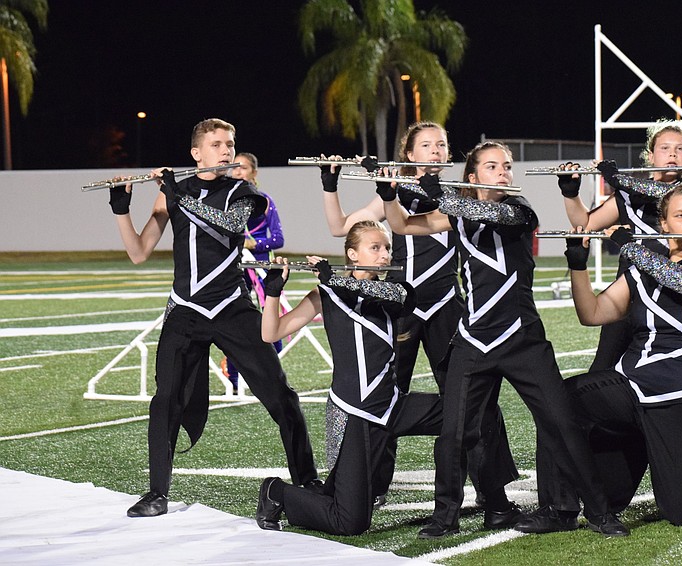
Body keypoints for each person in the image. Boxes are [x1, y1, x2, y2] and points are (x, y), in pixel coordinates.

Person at [382, 140, 629, 538]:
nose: (504, 173)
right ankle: (444, 516)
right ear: (474, 175)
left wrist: (436, 193)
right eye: (493, 166)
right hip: (473, 341)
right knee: (454, 433)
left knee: (562, 423)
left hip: (522, 340)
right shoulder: (457, 215)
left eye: (507, 166)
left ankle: (600, 512)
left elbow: (481, 211)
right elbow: (403, 225)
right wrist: (389, 195)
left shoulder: (519, 209)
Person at [108, 118, 319, 517]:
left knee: (279, 394)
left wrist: (176, 195)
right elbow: (138, 252)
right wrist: (121, 209)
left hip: (230, 307)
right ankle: (157, 493)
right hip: (185, 308)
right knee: (165, 400)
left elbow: (230, 226)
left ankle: (307, 479)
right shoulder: (174, 192)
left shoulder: (244, 191)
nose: (226, 150)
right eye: (218, 144)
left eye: (230, 143)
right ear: (196, 153)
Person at [319, 121, 517, 508]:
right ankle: (370, 484)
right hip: (400, 310)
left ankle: (491, 489)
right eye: (426, 145)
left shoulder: (461, 193)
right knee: (383, 399)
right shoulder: (393, 193)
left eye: (442, 144)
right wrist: (331, 184)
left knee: (474, 398)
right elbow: (338, 228)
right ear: (408, 154)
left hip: (447, 307)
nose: (436, 151)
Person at [558, 119, 682, 513]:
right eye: (665, 149)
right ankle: (584, 488)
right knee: (597, 383)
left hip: (670, 289)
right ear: (651, 155)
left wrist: (618, 180)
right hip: (637, 294)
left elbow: (664, 194)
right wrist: (570, 193)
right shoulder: (628, 197)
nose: (673, 155)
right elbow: (584, 224)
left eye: (680, 149)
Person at [255, 221, 443, 535]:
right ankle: (279, 494)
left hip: (391, 406)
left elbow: (393, 296)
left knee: (463, 414)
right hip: (354, 414)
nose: (384, 255)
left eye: (387, 248)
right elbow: (270, 333)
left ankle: (472, 503)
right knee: (351, 521)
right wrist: (273, 292)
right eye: (375, 248)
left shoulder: (393, 290)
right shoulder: (325, 293)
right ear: (352, 254)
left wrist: (336, 280)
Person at [222, 152, 285, 389]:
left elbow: (278, 239)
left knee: (273, 329)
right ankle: (234, 381)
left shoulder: (265, 201)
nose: (238, 171)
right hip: (234, 272)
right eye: (235, 167)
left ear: (254, 173)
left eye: (244, 168)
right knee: (236, 329)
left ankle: (265, 374)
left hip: (260, 273)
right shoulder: (225, 203)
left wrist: (253, 244)